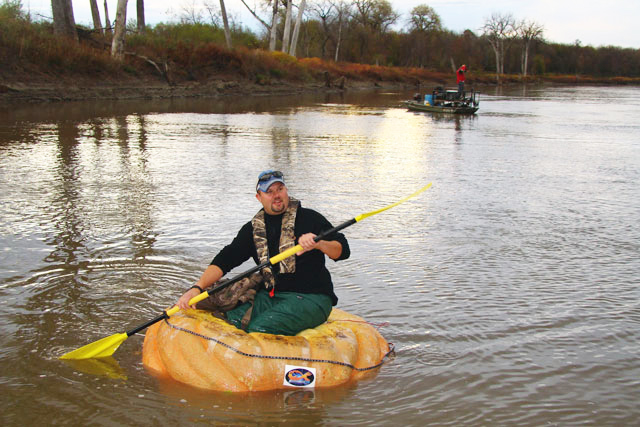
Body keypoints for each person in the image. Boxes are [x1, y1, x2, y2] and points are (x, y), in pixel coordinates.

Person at [176, 170, 350, 336]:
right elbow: (226, 259)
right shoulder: (252, 229)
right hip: (270, 296)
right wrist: (197, 288)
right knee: (230, 321)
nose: (276, 195)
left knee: (260, 328)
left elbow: (342, 251)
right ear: (259, 197)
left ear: (286, 190)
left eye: (280, 189)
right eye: (269, 191)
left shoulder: (310, 218)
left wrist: (320, 244)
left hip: (312, 298)